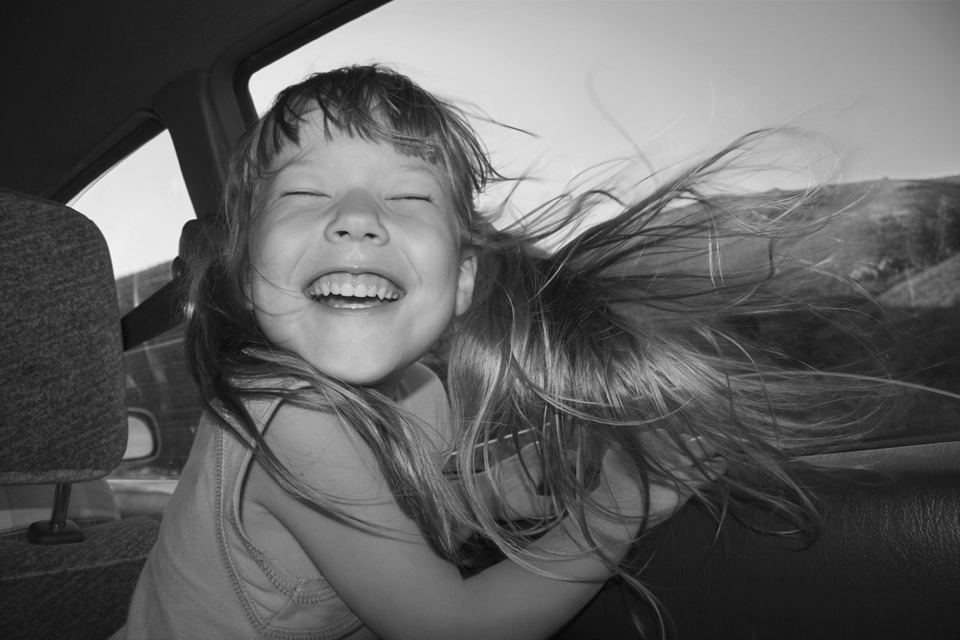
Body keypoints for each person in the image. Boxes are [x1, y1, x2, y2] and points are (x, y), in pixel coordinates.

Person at [118, 65, 875, 639]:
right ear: (247, 274)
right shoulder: (290, 415)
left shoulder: (422, 392)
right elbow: (450, 629)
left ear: (461, 281)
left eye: (408, 197)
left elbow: (410, 516)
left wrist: (523, 480)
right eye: (305, 194)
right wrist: (619, 503)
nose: (356, 219)